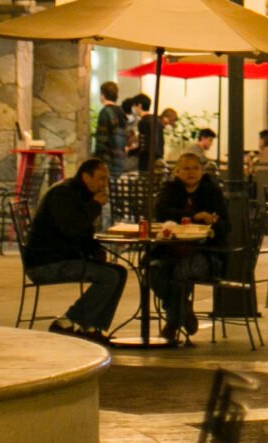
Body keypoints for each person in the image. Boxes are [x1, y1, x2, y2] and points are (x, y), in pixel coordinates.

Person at [22, 156, 126, 343]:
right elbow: (71, 227)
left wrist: (95, 250)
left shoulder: (83, 195)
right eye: (101, 178)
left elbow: (84, 233)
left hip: (66, 257)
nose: (105, 184)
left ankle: (95, 327)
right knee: (108, 277)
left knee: (119, 272)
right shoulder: (63, 193)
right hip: (47, 262)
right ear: (86, 177)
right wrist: (94, 206)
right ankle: (68, 321)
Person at [143, 151, 226, 347]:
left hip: (204, 252)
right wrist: (194, 217)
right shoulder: (170, 189)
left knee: (183, 272)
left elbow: (225, 225)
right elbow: (161, 211)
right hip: (169, 249)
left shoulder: (211, 191)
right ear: (177, 172)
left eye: (195, 168)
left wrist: (213, 221)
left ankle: (172, 323)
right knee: (153, 270)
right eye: (186, 168)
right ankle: (183, 311)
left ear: (201, 171)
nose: (191, 172)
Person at [93, 80, 130, 170]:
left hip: (108, 160)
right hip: (120, 159)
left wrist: (96, 158)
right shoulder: (121, 113)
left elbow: (102, 138)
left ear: (102, 95)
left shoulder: (105, 112)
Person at [131, 94, 165, 177]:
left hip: (146, 161)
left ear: (139, 105)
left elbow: (143, 145)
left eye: (134, 106)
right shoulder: (157, 120)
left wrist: (132, 152)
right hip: (158, 159)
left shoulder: (143, 122)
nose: (133, 109)